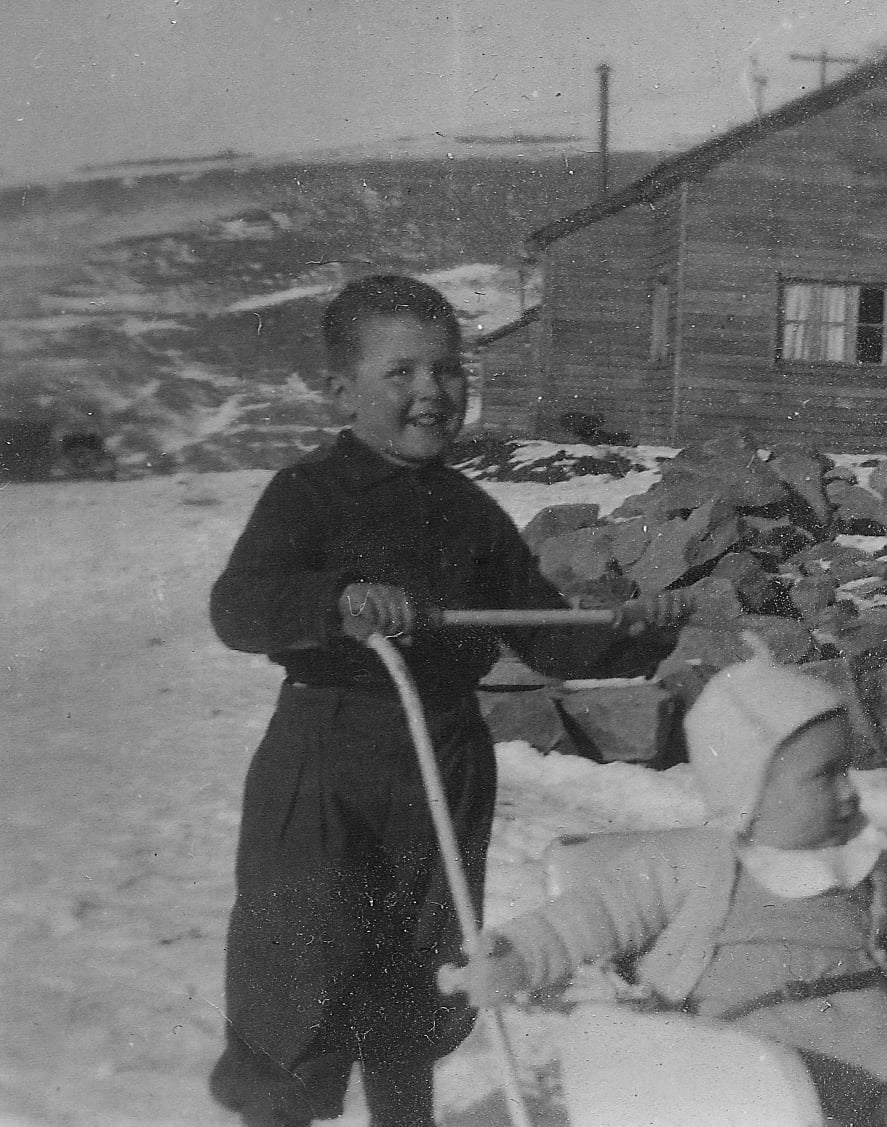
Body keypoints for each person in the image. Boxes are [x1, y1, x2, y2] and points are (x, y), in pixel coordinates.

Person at [206, 274, 687, 1127]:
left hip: (444, 762)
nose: (432, 392)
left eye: (449, 370)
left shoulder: (471, 513)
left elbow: (542, 635)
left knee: (419, 968)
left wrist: (636, 629)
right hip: (326, 763)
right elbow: (238, 607)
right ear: (341, 390)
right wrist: (338, 600)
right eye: (402, 373)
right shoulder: (307, 494)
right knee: (300, 967)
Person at [443, 638, 887, 1127]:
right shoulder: (694, 862)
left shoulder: (859, 866)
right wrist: (519, 956)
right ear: (747, 789)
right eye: (825, 774)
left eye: (848, 769)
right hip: (755, 1076)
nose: (849, 791)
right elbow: (594, 914)